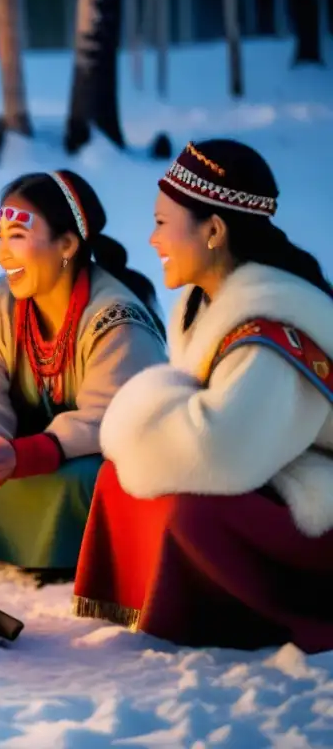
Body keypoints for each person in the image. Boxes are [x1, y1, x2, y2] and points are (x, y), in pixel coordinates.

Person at [73, 139, 333, 652]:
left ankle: (230, 616)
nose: (151, 240)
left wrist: (138, 420)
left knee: (187, 510)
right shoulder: (203, 302)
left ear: (214, 230)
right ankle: (153, 600)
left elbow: (217, 453)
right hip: (268, 469)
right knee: (120, 479)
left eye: (163, 224)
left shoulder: (270, 333)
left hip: (316, 506)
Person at [0, 170, 167, 576]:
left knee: (85, 480)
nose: (1, 253)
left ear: (68, 245)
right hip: (21, 453)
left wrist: (22, 456)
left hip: (86, 459)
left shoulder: (117, 319)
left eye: (17, 237)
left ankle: (73, 571)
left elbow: (112, 417)